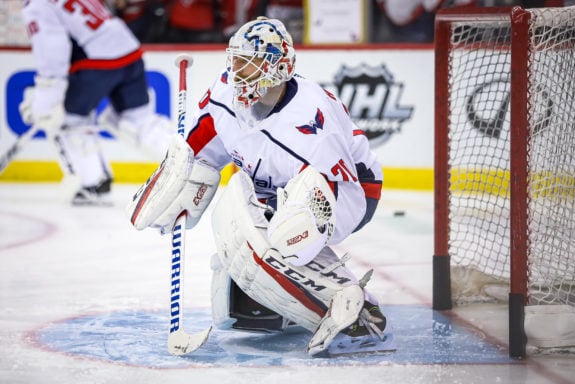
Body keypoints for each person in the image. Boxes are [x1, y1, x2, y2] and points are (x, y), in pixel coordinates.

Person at [127, 17, 387, 355]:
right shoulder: (226, 93)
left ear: (278, 68)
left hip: (350, 191)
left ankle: (359, 312)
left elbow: (336, 194)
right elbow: (200, 149)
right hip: (279, 188)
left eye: (247, 64)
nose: (236, 72)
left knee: (265, 239)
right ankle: (277, 310)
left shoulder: (310, 122)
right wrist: (183, 179)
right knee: (233, 275)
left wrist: (289, 248)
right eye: (234, 60)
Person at [20, 0, 173, 205]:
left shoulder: (36, 4)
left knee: (70, 122)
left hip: (96, 62)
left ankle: (93, 183)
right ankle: (188, 167)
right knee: (138, 121)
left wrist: (47, 99)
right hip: (129, 51)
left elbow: (52, 47)